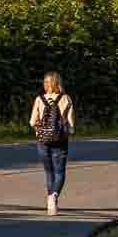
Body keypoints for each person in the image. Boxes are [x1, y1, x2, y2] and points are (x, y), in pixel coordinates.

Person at [30, 72, 75, 216]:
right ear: (58, 83)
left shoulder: (39, 99)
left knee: (49, 172)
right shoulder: (66, 98)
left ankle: (50, 201)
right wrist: (70, 132)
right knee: (59, 172)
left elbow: (32, 121)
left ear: (45, 83)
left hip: (43, 140)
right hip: (60, 139)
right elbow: (71, 123)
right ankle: (53, 196)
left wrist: (39, 130)